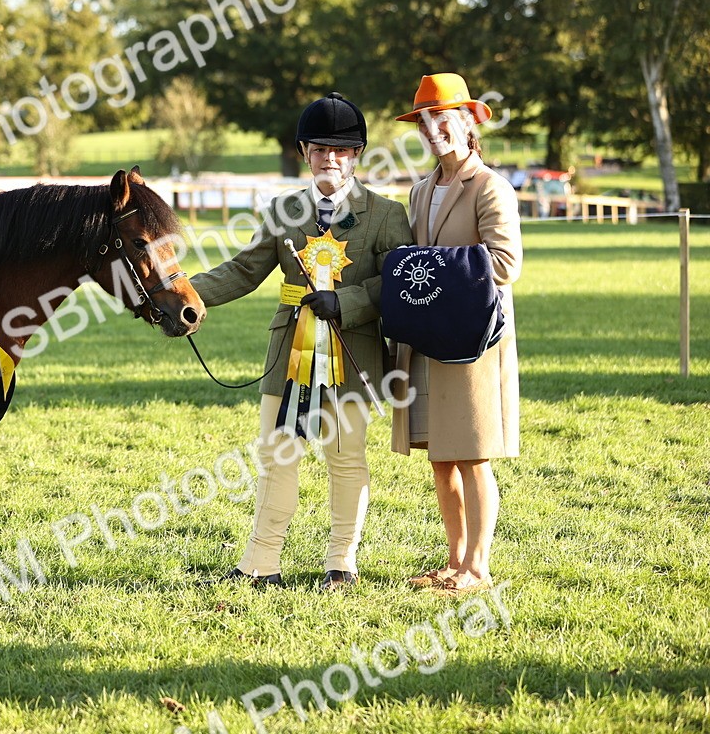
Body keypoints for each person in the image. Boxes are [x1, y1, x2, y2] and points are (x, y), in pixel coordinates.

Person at [191, 92, 413, 592]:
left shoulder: (385, 213)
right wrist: (187, 294)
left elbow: (399, 280)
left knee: (346, 456)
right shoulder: (283, 209)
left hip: (352, 352)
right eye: (318, 149)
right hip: (290, 350)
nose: (329, 159)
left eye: (340, 150)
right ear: (304, 152)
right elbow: (245, 271)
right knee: (277, 454)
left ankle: (342, 562)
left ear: (357, 154)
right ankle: (260, 563)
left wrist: (350, 302)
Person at [390, 72, 523, 596]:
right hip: (428, 338)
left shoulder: (491, 186)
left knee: (473, 454)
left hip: (474, 341)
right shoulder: (420, 189)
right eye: (424, 122)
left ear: (468, 123)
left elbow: (506, 263)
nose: (432, 130)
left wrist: (432, 269)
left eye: (442, 119)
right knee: (441, 456)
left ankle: (478, 567)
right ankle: (453, 562)